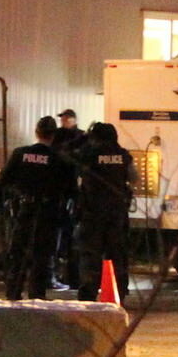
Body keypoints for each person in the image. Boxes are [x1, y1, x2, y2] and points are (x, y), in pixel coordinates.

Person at [0, 116, 70, 300]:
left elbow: (5, 179)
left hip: (25, 209)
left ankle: (13, 293)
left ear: (37, 132)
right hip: (48, 213)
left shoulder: (20, 153)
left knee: (18, 252)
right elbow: (69, 189)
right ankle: (36, 297)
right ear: (54, 135)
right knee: (42, 256)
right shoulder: (59, 158)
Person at [74, 120, 134, 303]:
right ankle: (120, 293)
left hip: (92, 213)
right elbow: (134, 178)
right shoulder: (123, 155)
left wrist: (82, 138)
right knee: (117, 254)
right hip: (116, 214)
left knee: (90, 255)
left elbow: (67, 157)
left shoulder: (88, 154)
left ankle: (88, 295)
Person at [50, 108, 84, 287]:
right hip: (61, 191)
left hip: (72, 192)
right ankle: (60, 274)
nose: (62, 122)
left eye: (65, 119)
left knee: (70, 237)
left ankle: (72, 276)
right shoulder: (58, 136)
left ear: (73, 119)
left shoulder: (81, 137)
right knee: (60, 236)